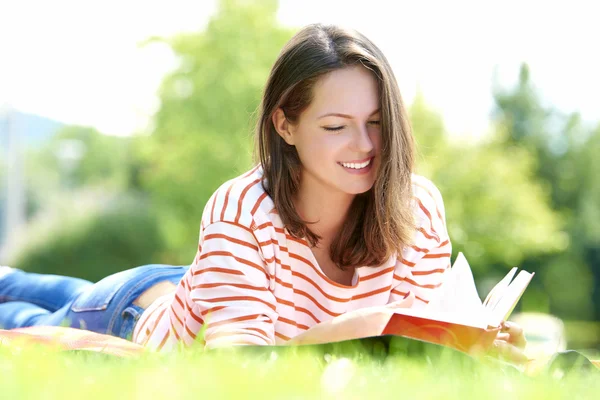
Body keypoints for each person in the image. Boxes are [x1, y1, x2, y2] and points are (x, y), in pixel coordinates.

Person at [0, 24, 526, 363]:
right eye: (336, 126)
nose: (364, 146)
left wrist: (475, 344)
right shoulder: (242, 208)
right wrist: (364, 326)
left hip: (208, 287)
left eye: (375, 121)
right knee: (22, 309)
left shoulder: (417, 207)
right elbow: (244, 365)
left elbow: (414, 345)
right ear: (285, 125)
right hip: (133, 314)